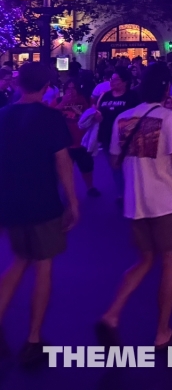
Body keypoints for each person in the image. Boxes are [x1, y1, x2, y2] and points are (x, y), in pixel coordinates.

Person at [96, 64, 172, 349]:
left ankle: (111, 314)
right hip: (166, 201)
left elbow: (113, 161)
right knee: (170, 263)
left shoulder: (122, 118)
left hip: (136, 203)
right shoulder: (167, 118)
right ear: (166, 88)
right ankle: (162, 332)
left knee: (144, 260)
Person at [0, 63, 78, 367]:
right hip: (43, 201)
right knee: (43, 265)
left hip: (9, 201)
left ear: (18, 84)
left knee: (20, 259)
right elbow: (63, 162)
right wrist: (73, 201)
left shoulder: (3, 116)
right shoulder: (51, 118)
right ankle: (33, 338)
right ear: (47, 86)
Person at [96, 67, 140, 203]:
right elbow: (98, 111)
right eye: (112, 79)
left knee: (130, 166)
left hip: (127, 137)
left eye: (116, 80)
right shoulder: (105, 95)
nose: (112, 82)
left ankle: (134, 192)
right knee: (115, 165)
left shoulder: (132, 97)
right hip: (107, 136)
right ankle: (122, 193)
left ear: (125, 82)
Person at [57, 78, 100, 197]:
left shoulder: (85, 100)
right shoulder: (59, 100)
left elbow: (93, 114)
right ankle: (67, 192)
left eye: (73, 88)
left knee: (87, 167)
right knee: (65, 169)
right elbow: (50, 115)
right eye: (68, 88)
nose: (71, 91)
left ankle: (90, 187)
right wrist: (62, 103)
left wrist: (96, 117)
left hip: (83, 141)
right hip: (65, 141)